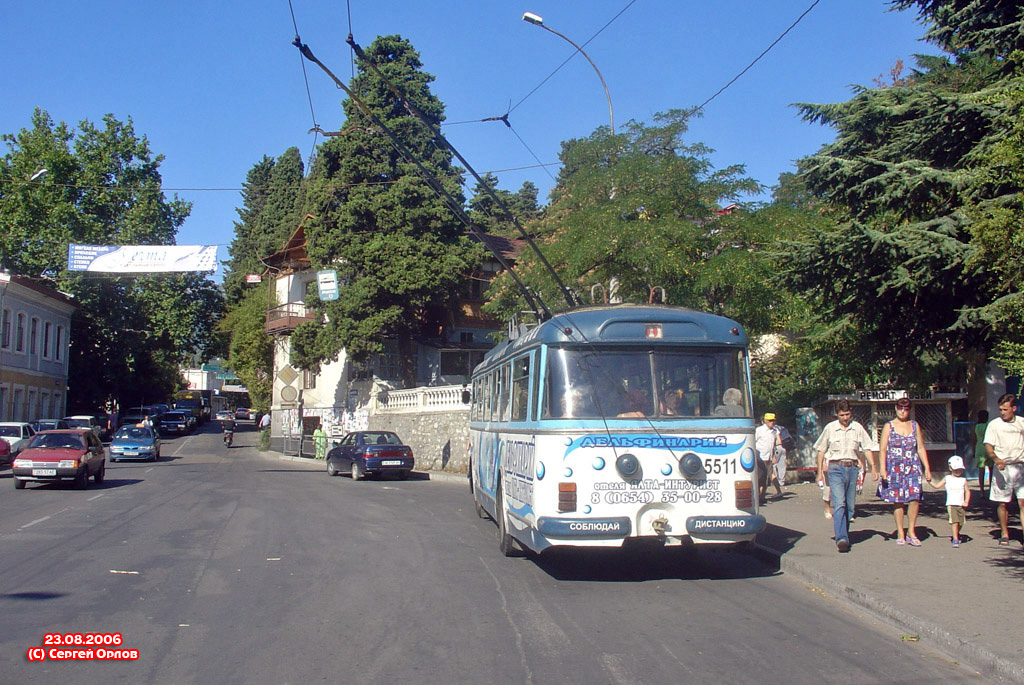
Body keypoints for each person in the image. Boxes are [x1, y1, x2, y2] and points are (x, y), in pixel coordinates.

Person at [814, 399, 879, 553]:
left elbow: (867, 447)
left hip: (852, 468)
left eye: (847, 414)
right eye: (842, 415)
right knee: (839, 503)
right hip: (835, 468)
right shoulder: (830, 428)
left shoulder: (857, 428)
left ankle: (845, 533)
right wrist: (819, 473)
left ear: (851, 413)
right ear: (837, 414)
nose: (845, 418)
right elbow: (821, 450)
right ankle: (841, 538)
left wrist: (873, 467)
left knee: (849, 506)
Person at [878, 397, 932, 546]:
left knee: (914, 498)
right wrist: (882, 468)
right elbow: (882, 449)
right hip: (895, 468)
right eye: (900, 408)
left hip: (912, 467)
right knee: (898, 500)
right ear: (896, 408)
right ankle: (900, 532)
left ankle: (911, 531)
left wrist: (927, 467)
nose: (903, 411)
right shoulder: (889, 426)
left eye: (906, 408)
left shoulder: (914, 426)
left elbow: (920, 447)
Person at [983, 393, 1024, 547]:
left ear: (1013, 408)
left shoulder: (1021, 423)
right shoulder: (994, 425)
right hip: (1002, 468)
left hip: (1020, 466)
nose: (1003, 413)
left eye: (1005, 409)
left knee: (1022, 502)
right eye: (1001, 409)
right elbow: (988, 445)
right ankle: (1004, 533)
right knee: (1003, 503)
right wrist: (995, 459)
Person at [929, 455, 971, 548]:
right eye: (956, 469)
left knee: (961, 522)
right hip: (951, 504)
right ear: (950, 468)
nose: (958, 471)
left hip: (961, 505)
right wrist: (930, 481)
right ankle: (955, 538)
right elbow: (937, 486)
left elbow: (967, 491)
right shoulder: (947, 478)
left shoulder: (963, 480)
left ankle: (957, 533)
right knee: (954, 522)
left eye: (960, 469)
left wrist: (966, 501)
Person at [755, 413, 783, 503]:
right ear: (765, 421)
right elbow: (753, 441)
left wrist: (774, 455)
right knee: (760, 477)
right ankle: (757, 496)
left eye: (773, 420)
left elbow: (774, 444)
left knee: (766, 478)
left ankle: (762, 496)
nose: (772, 422)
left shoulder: (774, 431)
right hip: (760, 458)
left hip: (769, 457)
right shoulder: (759, 430)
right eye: (770, 421)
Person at [972, 410, 990, 499]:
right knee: (991, 470)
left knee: (981, 471)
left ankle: (982, 492)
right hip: (988, 447)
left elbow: (973, 439)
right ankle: (991, 489)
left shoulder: (976, 427)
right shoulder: (988, 426)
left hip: (979, 448)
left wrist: (973, 450)